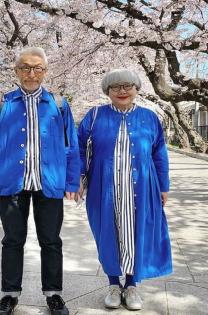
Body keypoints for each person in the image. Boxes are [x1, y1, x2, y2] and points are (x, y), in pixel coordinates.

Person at [0, 47, 80, 315]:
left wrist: (72, 182)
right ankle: (9, 295)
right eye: (25, 67)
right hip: (12, 184)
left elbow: (71, 144)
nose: (31, 73)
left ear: (45, 72)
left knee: (51, 241)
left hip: (49, 184)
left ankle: (54, 295)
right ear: (16, 71)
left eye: (38, 68)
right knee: (12, 241)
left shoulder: (58, 103)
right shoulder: (3, 103)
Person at [77, 69, 172, 311]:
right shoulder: (95, 115)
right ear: (107, 91)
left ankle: (131, 286)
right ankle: (112, 284)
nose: (122, 91)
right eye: (115, 87)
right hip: (103, 188)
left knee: (136, 233)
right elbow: (79, 149)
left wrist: (164, 186)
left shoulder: (150, 118)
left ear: (137, 89)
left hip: (142, 188)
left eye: (127, 86)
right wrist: (77, 178)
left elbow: (159, 153)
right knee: (106, 233)